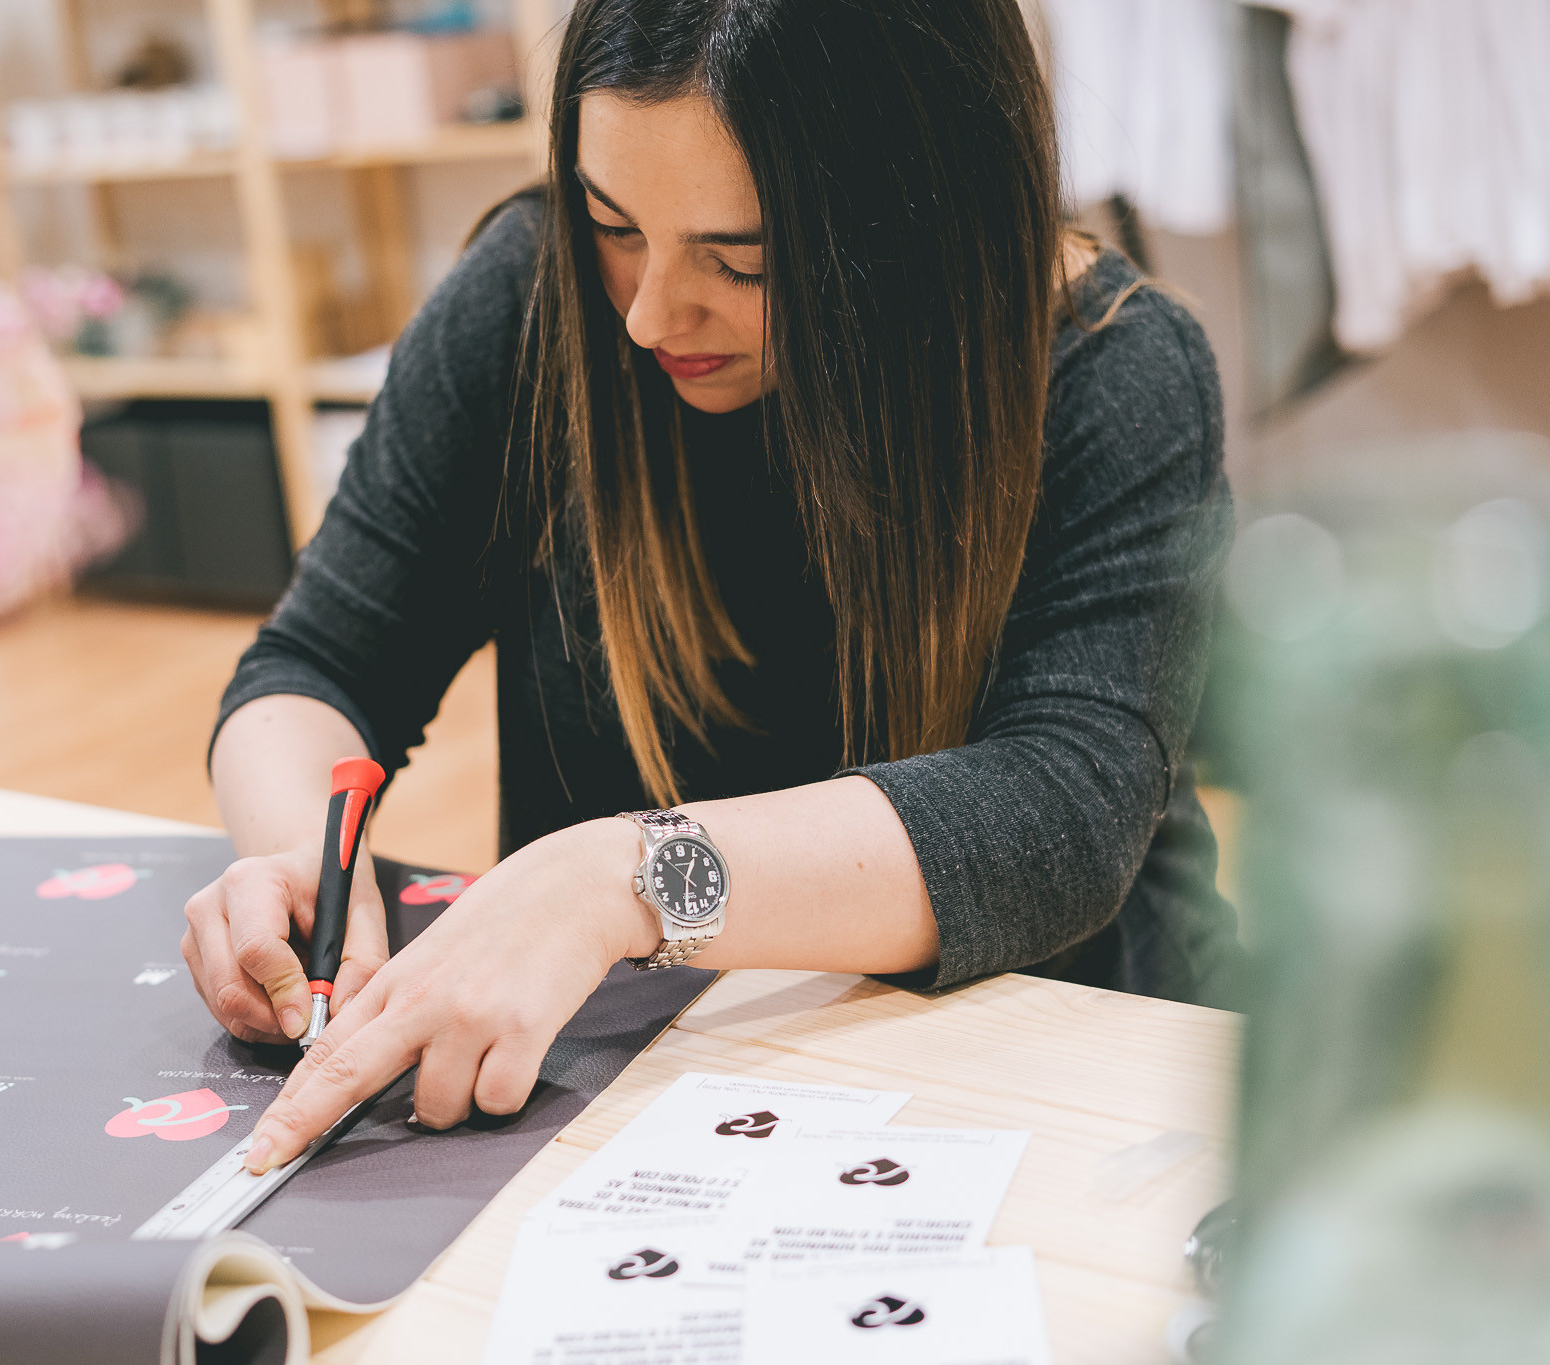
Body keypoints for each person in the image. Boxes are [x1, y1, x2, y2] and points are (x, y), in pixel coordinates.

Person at [183, 0, 1238, 1174]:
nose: (646, 313)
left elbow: (1058, 809)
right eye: (612, 221)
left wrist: (620, 880)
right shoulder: (531, 300)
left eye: (742, 261)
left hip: (1062, 1081)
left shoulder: (1110, 369)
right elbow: (318, 661)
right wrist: (291, 867)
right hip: (636, 1094)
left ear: (917, 218)